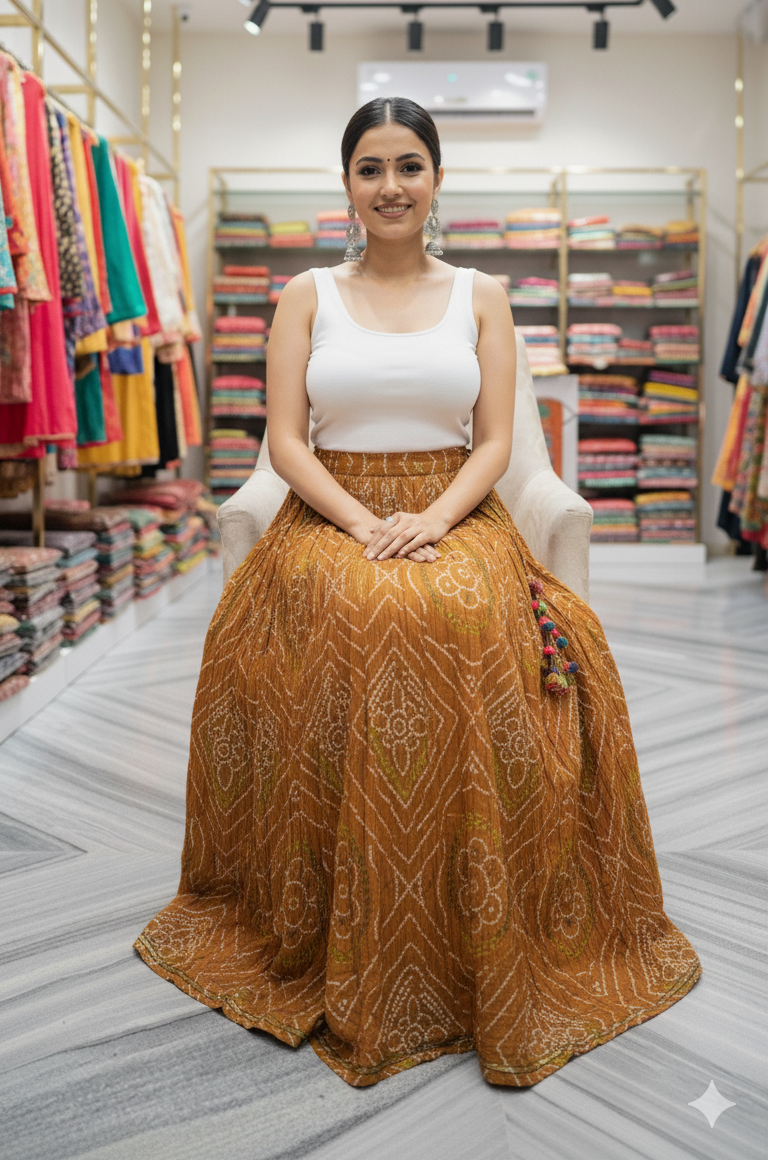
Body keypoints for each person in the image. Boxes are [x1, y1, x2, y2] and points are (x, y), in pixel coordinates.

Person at [135, 97, 700, 1088]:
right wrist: (359, 523)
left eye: (409, 165)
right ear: (346, 184)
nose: (390, 185)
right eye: (369, 167)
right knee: (363, 608)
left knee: (457, 611)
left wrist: (433, 520)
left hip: (453, 507)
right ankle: (344, 920)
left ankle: (468, 917)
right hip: (328, 512)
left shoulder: (481, 294)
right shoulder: (305, 293)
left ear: (437, 180)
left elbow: (492, 442)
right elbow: (286, 442)